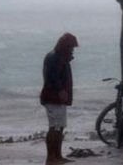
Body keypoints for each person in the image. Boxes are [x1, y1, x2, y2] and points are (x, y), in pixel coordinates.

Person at [40, 33, 78, 164]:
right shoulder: (55, 57)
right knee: (54, 127)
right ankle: (51, 158)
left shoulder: (60, 57)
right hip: (53, 97)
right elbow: (52, 77)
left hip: (58, 98)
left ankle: (58, 156)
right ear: (65, 46)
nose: (72, 50)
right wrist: (61, 90)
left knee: (60, 127)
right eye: (71, 47)